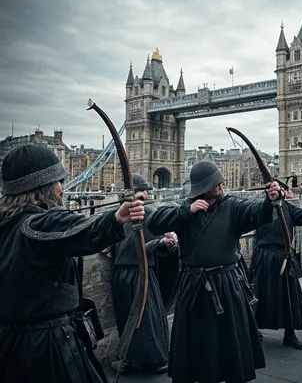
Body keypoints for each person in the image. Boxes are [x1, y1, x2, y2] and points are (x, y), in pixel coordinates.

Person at [0, 144, 144, 383]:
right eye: (58, 181)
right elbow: (75, 228)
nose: (61, 188)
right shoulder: (38, 224)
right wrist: (117, 218)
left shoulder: (8, 223)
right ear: (43, 186)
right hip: (47, 347)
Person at [142, 160, 282, 383]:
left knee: (230, 340)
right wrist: (187, 211)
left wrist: (271, 200)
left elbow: (257, 213)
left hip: (226, 283)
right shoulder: (185, 208)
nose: (221, 185)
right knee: (199, 341)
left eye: (220, 181)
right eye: (215, 182)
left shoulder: (232, 206)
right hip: (194, 285)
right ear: (203, 187)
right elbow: (154, 222)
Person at [111, 174, 176, 375]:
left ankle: (139, 359)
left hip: (132, 274)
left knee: (144, 319)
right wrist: (162, 243)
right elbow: (132, 249)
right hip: (135, 274)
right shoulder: (135, 214)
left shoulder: (133, 213)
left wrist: (166, 242)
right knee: (143, 320)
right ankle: (146, 359)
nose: (148, 194)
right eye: (143, 191)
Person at [249, 185, 302, 350]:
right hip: (264, 257)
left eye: (281, 190)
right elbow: (257, 216)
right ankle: (253, 330)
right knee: (258, 295)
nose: (279, 193)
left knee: (288, 296)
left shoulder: (288, 208)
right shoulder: (261, 207)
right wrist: (269, 201)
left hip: (284, 256)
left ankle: (290, 334)